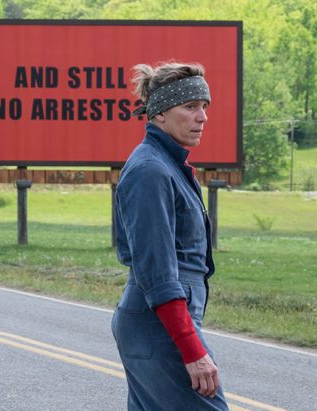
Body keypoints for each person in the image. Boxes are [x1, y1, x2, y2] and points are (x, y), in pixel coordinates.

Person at [111, 61, 229, 411]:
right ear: (159, 113)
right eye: (190, 107)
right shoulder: (150, 171)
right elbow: (158, 273)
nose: (202, 117)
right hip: (158, 326)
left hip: (158, 324)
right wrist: (192, 349)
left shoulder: (167, 165)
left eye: (204, 107)